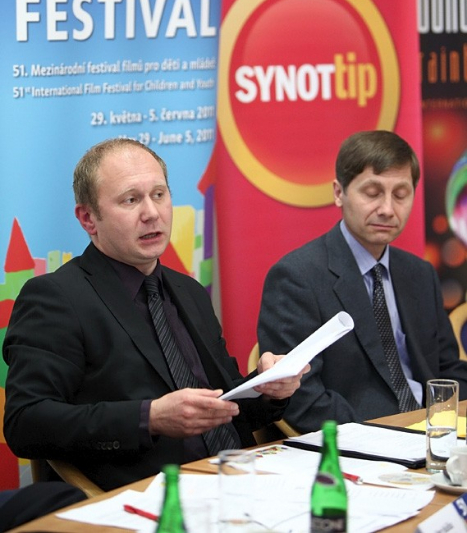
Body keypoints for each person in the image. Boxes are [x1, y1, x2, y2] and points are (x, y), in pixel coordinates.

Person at [3, 138, 308, 491]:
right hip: (148, 495)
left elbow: (226, 409)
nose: (151, 213)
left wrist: (267, 388)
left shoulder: (188, 291)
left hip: (240, 479)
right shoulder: (56, 298)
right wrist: (149, 418)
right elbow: (26, 423)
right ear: (88, 218)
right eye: (130, 200)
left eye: (159, 195)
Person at [257, 130, 467, 433]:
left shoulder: (419, 273)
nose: (387, 209)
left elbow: (447, 369)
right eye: (372, 193)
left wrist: (441, 423)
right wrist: (391, 434)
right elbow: (302, 399)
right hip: (360, 438)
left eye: (400, 194)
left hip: (432, 431)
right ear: (339, 193)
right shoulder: (296, 277)